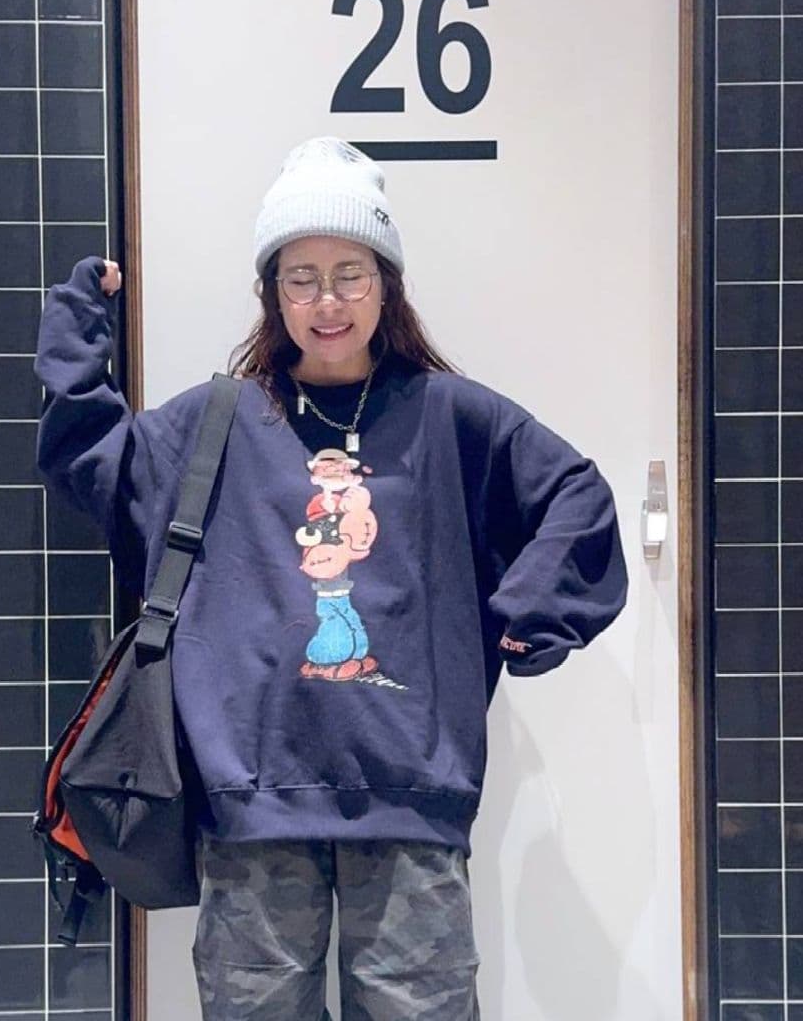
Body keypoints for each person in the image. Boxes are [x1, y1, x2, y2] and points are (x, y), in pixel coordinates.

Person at [33, 135, 629, 1020]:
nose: (327, 301)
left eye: (350, 273)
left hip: (411, 796)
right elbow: (95, 463)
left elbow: (575, 496)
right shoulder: (222, 419)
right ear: (273, 293)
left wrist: (532, 612)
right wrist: (78, 331)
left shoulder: (449, 415)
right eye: (301, 277)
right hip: (253, 798)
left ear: (386, 284)